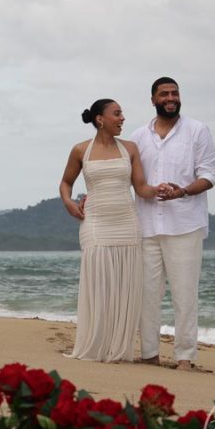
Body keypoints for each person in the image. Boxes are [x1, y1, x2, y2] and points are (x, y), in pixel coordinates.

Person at [129, 77, 215, 371]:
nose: (171, 98)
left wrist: (182, 191)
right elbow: (127, 177)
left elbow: (209, 175)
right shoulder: (138, 137)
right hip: (146, 225)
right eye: (164, 94)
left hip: (184, 225)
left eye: (175, 93)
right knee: (147, 295)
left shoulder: (197, 130)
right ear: (153, 100)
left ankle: (185, 357)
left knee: (185, 294)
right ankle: (149, 354)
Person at [59, 99, 159, 362]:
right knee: (99, 285)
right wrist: (69, 203)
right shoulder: (81, 150)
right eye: (117, 113)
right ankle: (96, 345)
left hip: (127, 223)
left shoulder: (130, 148)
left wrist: (159, 190)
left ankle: (118, 348)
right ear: (100, 119)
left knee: (125, 287)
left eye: (122, 113)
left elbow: (141, 188)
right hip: (95, 223)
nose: (122, 118)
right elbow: (66, 182)